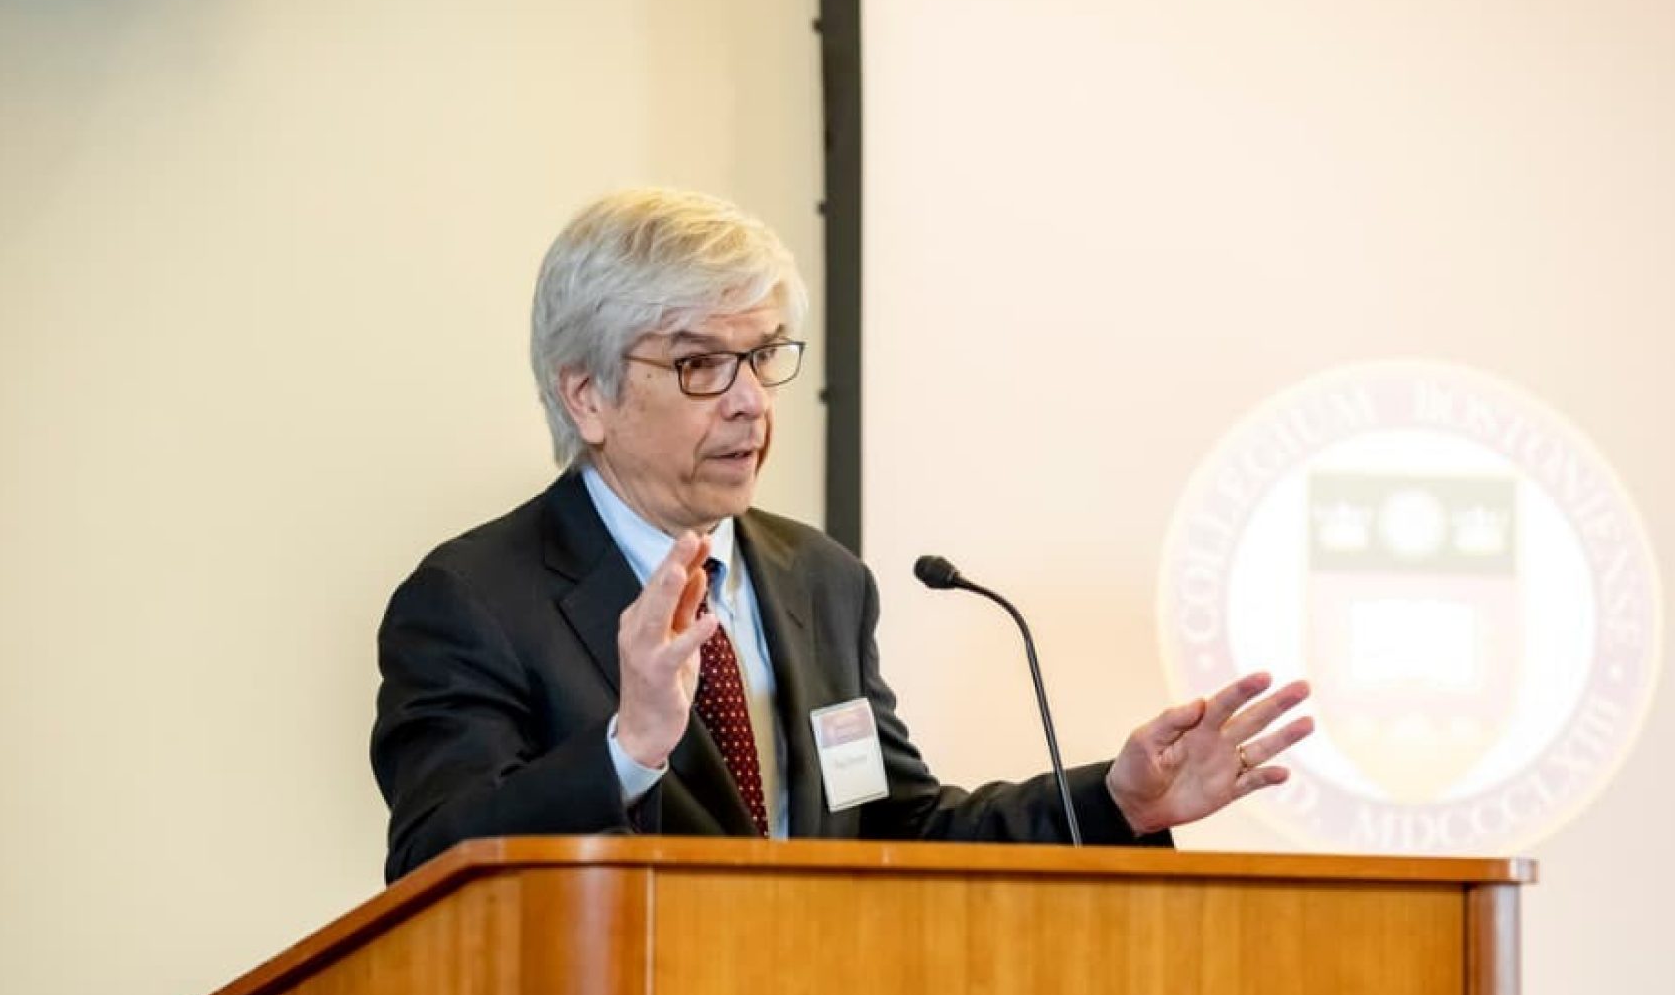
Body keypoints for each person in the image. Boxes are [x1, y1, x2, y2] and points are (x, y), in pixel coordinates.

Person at [371, 188, 1311, 882]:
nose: (749, 401)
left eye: (762, 356)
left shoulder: (817, 579)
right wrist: (630, 747)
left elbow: (897, 830)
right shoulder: (476, 600)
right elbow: (433, 862)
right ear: (588, 396)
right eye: (701, 365)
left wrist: (1115, 802)